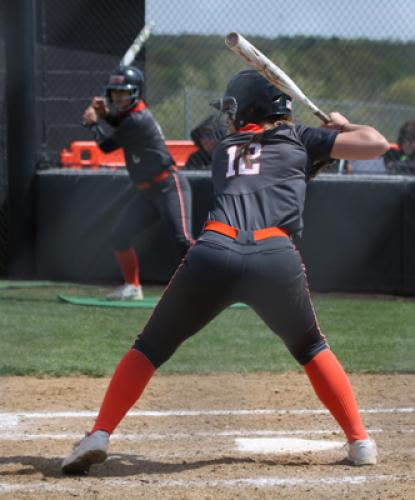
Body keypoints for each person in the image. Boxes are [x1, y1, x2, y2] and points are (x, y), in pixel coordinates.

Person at [62, 69, 389, 475]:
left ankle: (99, 433)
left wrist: (325, 140)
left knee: (149, 347)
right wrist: (342, 127)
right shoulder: (301, 138)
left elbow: (273, 166)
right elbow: (375, 144)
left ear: (251, 110)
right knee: (311, 348)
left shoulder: (226, 148)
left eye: (234, 109)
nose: (229, 119)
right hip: (274, 256)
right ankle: (360, 441)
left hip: (214, 252)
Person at [82, 65, 193, 300]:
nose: (118, 97)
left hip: (168, 185)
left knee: (183, 241)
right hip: (148, 190)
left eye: (124, 92)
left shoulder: (138, 119)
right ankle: (132, 287)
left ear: (136, 93)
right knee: (121, 234)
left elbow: (107, 146)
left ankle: (214, 286)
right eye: (115, 93)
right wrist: (105, 115)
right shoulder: (131, 116)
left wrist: (94, 123)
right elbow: (120, 123)